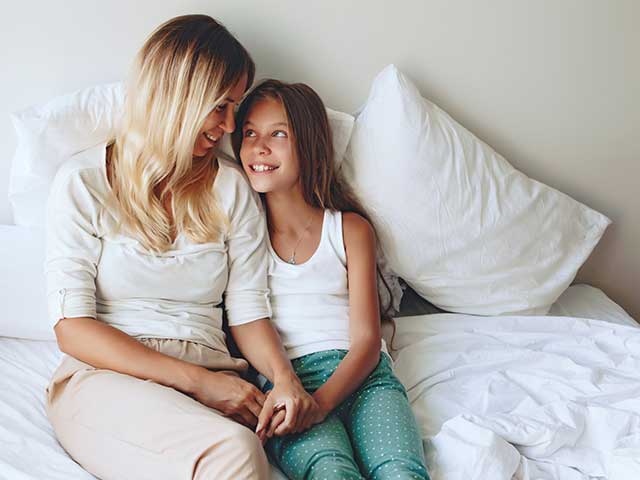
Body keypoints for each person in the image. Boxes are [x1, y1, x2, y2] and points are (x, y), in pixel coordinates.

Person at [45, 15, 317, 480]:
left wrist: (285, 379)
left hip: (215, 372)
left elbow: (248, 312)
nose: (230, 125)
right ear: (177, 96)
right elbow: (73, 329)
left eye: (235, 108)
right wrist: (200, 383)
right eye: (220, 106)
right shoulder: (83, 183)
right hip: (107, 378)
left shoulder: (232, 188)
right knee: (232, 453)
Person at [232, 79, 430, 479]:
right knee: (330, 471)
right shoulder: (240, 236)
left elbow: (367, 342)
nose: (259, 146)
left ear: (308, 145)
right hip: (287, 382)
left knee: (400, 471)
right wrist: (295, 393)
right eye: (249, 133)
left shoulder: (350, 230)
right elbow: (243, 321)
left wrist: (321, 404)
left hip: (363, 377)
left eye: (278, 134)